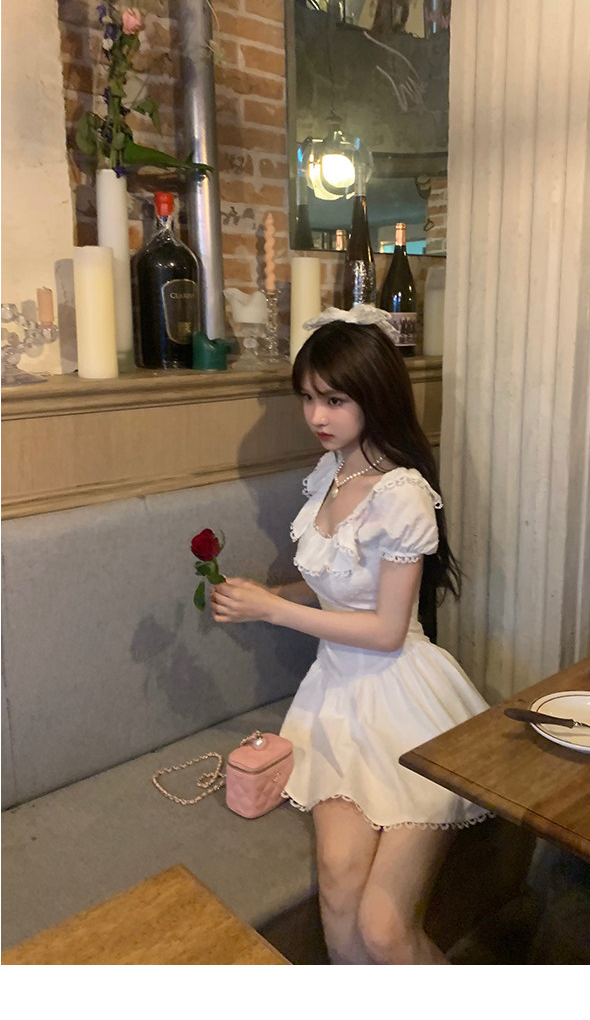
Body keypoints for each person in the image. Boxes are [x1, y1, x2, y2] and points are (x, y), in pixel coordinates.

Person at [210, 306, 490, 965]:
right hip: (334, 699)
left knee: (384, 927)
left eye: (334, 399)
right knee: (337, 885)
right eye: (308, 397)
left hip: (407, 701)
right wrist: (264, 599)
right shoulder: (329, 475)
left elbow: (388, 630)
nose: (317, 415)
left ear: (374, 394)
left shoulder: (402, 494)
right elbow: (338, 585)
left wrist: (273, 612)